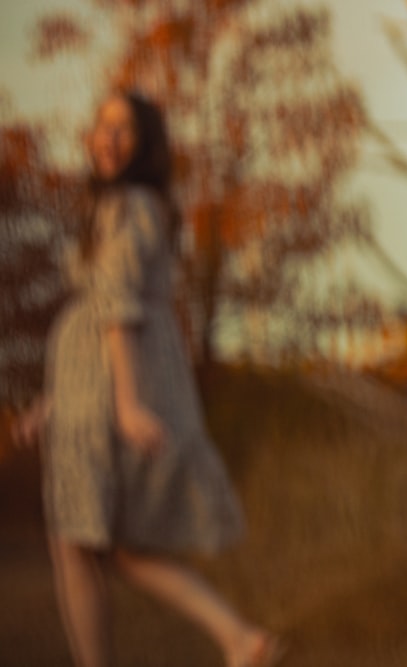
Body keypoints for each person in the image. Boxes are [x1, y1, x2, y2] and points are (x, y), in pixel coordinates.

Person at [13, 91, 283, 667]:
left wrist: (128, 404)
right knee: (114, 544)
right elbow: (107, 312)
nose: (109, 137)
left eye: (125, 129)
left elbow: (117, 306)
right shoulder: (128, 206)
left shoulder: (131, 204)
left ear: (145, 144)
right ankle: (238, 637)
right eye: (102, 124)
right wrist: (53, 402)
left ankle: (233, 636)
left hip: (115, 388)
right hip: (96, 385)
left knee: (79, 543)